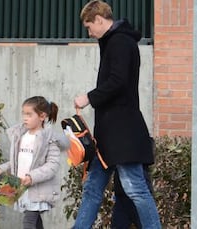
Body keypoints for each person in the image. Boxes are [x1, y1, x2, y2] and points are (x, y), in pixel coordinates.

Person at [72, 1, 161, 228]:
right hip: (110, 136)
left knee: (136, 189)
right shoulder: (115, 42)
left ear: (99, 20)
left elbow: (118, 82)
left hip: (123, 136)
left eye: (89, 27)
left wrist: (89, 98)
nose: (89, 33)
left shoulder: (120, 43)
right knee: (92, 189)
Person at [0, 96, 69, 229]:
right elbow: (15, 162)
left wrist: (32, 177)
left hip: (38, 190)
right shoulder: (20, 136)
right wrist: (2, 169)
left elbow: (52, 166)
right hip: (22, 188)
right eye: (23, 113)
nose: (24, 117)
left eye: (29, 114)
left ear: (42, 116)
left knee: (29, 222)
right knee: (35, 222)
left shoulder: (49, 139)